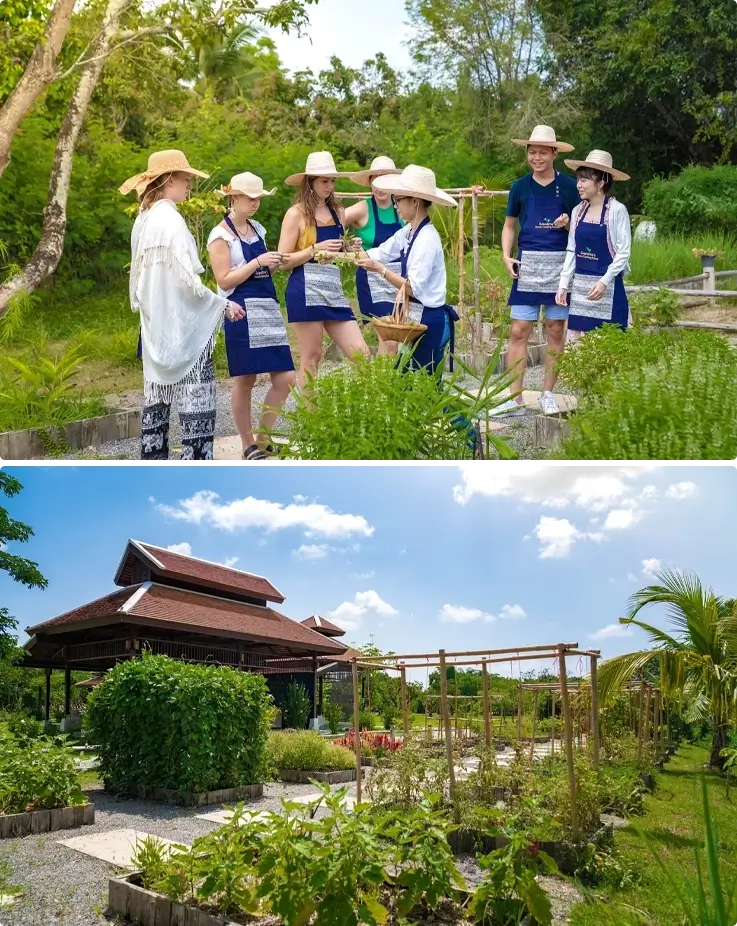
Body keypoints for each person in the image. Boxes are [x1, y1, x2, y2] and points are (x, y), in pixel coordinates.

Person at [119, 150, 245, 464]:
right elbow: (186, 282)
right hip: (181, 323)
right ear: (170, 179)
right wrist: (220, 304)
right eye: (186, 179)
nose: (189, 185)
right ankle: (197, 468)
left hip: (154, 324)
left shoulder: (144, 219)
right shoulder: (170, 219)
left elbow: (147, 279)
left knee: (156, 398)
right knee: (197, 398)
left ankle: (154, 465)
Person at [207, 172, 296, 464]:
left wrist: (272, 262)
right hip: (240, 309)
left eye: (259, 198)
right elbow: (224, 279)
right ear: (233, 198)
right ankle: (248, 444)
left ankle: (263, 439)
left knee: (286, 377)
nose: (256, 203)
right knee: (246, 378)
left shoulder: (257, 229)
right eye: (250, 198)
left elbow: (261, 272)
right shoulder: (220, 235)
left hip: (267, 307)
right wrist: (257, 261)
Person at [500, 125, 580, 416]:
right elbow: (510, 225)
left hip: (561, 266)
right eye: (532, 152)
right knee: (519, 329)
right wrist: (506, 256)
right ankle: (515, 397)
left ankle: (548, 393)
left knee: (555, 328)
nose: (536, 157)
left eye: (542, 152)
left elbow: (581, 227)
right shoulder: (519, 186)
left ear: (554, 153)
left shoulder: (571, 186)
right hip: (527, 265)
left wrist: (567, 224)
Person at [278, 151, 370, 388]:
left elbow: (336, 252)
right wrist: (313, 249)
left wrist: (348, 245)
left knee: (362, 354)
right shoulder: (295, 214)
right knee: (312, 356)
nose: (329, 186)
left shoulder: (338, 212)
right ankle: (309, 419)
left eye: (332, 181)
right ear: (310, 182)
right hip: (304, 290)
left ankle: (368, 408)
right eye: (324, 181)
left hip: (333, 289)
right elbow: (282, 261)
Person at [356, 164, 459, 374]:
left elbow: (413, 288)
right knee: (408, 381)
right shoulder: (408, 232)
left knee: (424, 385)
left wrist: (381, 270)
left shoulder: (427, 238)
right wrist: (338, 253)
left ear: (415, 201)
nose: (395, 206)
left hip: (429, 318)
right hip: (413, 317)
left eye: (398, 200)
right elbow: (379, 253)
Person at [555, 150, 631, 335]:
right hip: (581, 291)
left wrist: (604, 282)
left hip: (608, 288)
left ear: (601, 182)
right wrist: (563, 284)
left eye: (584, 180)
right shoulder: (577, 211)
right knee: (580, 352)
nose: (578, 185)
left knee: (609, 347)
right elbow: (572, 249)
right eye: (578, 179)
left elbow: (623, 252)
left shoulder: (617, 211)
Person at [345, 156, 404, 355]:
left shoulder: (403, 208)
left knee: (396, 341)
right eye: (375, 180)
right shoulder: (363, 208)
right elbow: (331, 224)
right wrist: (348, 245)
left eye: (384, 180)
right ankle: (382, 382)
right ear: (370, 182)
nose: (379, 186)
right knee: (389, 339)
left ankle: (383, 382)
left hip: (399, 280)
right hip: (373, 279)